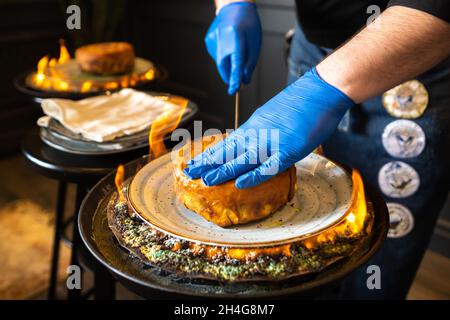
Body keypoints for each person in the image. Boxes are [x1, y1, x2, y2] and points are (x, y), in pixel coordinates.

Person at [184, 0, 450, 299]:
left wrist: (322, 90)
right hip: (311, 53)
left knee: (374, 263)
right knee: (294, 262)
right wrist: (233, 4)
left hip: (409, 65)